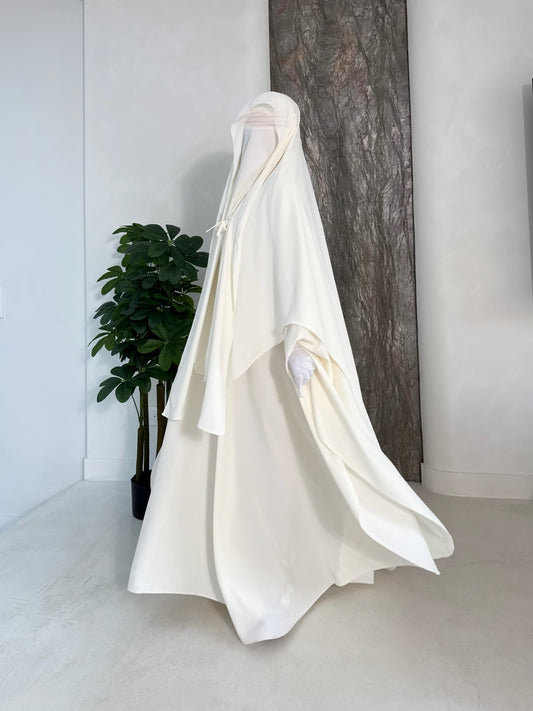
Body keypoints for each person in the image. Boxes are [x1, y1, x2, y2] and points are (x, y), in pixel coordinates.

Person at [127, 91, 454, 645]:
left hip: (271, 350)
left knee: (281, 454)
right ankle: (219, 556)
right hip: (232, 352)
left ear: (284, 138)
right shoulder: (238, 194)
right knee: (236, 458)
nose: (257, 140)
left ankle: (286, 554)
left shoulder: (284, 193)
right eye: (250, 129)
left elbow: (299, 266)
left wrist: (301, 339)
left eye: (266, 130)